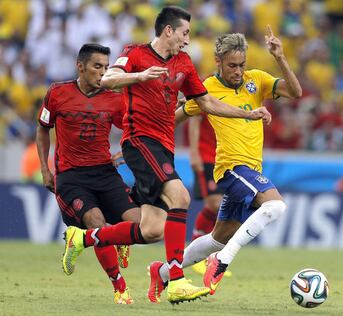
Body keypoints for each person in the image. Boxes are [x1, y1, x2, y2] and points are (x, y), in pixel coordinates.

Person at [61, 6, 271, 305]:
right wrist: (141, 76)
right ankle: (175, 280)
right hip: (141, 140)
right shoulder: (135, 54)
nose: (187, 39)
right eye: (185, 32)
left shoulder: (183, 63)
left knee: (152, 230)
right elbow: (108, 79)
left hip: (164, 147)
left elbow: (207, 102)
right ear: (168, 30)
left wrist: (246, 115)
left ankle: (82, 238)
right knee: (181, 197)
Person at [147, 26, 302, 300]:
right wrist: (144, 138)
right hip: (231, 168)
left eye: (242, 65)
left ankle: (160, 273)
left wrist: (280, 57)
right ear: (218, 62)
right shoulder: (207, 88)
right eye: (232, 65)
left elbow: (295, 92)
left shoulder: (257, 80)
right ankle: (223, 261)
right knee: (275, 205)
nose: (238, 72)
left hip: (250, 171)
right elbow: (176, 117)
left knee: (216, 239)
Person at [36, 43, 141, 305]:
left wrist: (126, 154)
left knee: (141, 224)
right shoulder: (57, 93)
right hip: (72, 176)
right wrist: (44, 168)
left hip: (105, 172)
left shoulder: (114, 98)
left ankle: (82, 239)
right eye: (97, 67)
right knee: (97, 221)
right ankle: (120, 287)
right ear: (80, 67)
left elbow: (134, 128)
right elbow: (42, 129)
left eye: (106, 67)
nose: (103, 73)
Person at [188, 114, 232, 277]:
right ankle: (196, 255)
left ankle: (209, 257)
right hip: (206, 155)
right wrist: (194, 152)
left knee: (222, 207)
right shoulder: (208, 90)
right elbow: (194, 119)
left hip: (225, 158)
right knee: (214, 204)